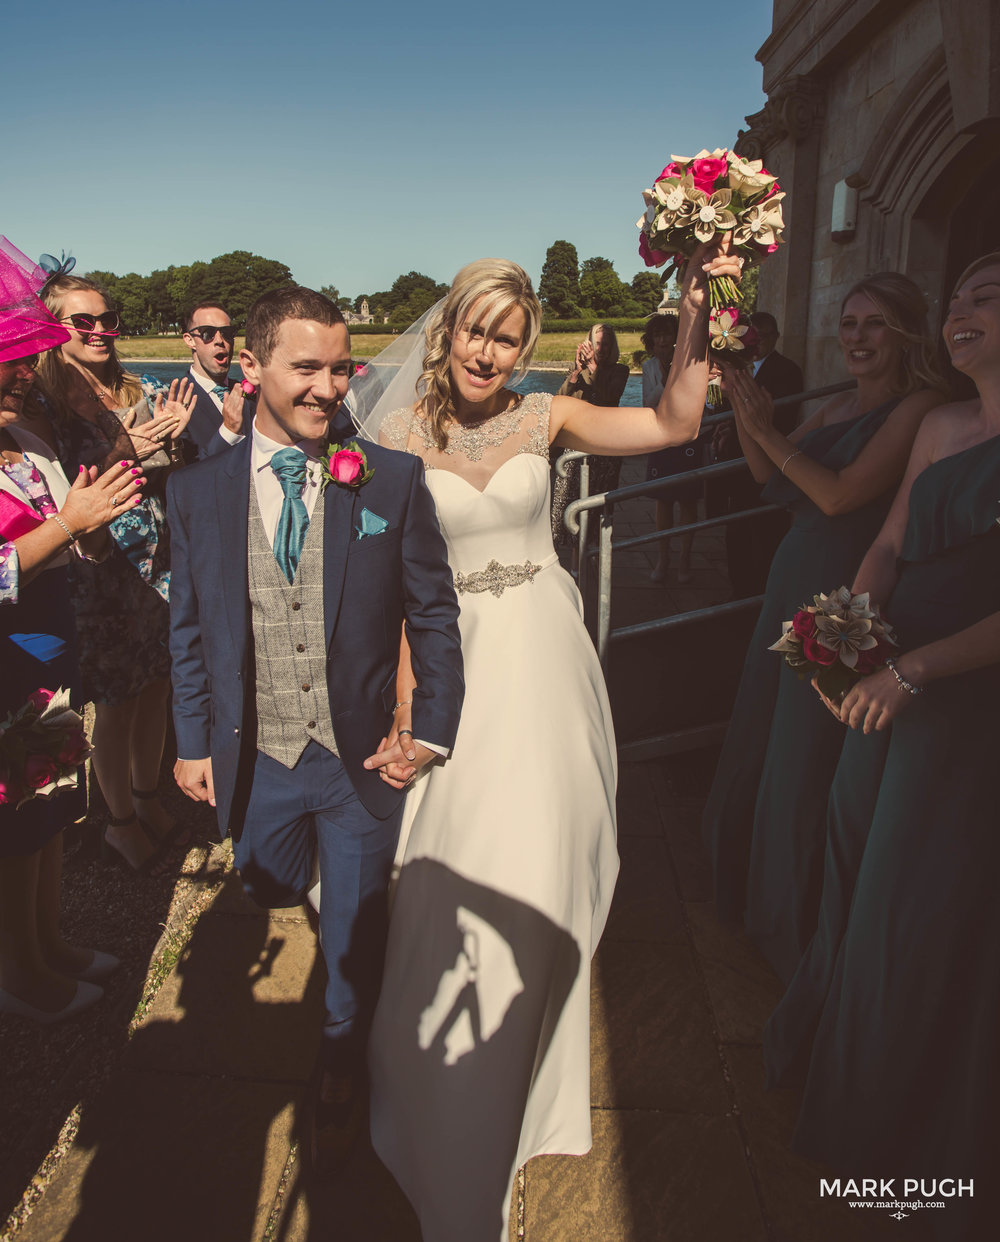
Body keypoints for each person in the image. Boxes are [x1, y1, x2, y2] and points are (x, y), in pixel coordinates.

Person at [360, 244, 740, 1241]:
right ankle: (443, 1095)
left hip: (544, 664)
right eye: (475, 330)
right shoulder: (391, 438)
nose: (489, 352)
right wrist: (407, 710)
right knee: (451, 866)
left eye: (510, 337)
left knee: (554, 865)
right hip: (456, 673)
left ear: (530, 347)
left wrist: (694, 304)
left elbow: (676, 421)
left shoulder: (548, 416)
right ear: (445, 332)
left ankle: (530, 1066)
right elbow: (398, 595)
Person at [167, 286, 464, 1165]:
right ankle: (299, 900)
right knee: (265, 884)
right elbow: (186, 626)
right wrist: (190, 739)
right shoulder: (195, 492)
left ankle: (342, 1046)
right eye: (307, 367)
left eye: (342, 367)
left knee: (354, 930)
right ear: (253, 367)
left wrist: (430, 729)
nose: (330, 387)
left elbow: (434, 613)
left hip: (359, 756)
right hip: (255, 754)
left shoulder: (391, 477)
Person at [763, 253, 1000, 1242]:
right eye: (954, 299)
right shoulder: (942, 427)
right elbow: (892, 541)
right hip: (883, 678)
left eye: (986, 298)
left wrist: (913, 674)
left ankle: (908, 1132)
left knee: (918, 897)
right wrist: (848, 636)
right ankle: (844, 1075)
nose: (959, 313)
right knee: (853, 860)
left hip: (960, 702)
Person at [701, 273, 945, 984]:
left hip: (849, 593)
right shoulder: (837, 402)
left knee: (811, 753)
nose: (857, 338)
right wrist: (752, 420)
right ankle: (752, 895)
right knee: (769, 730)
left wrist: (770, 432)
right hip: (792, 574)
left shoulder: (922, 407)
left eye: (873, 324)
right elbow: (769, 479)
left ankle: (796, 919)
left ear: (904, 332)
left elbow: (839, 496)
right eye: (848, 324)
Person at [0, 238, 146, 1021]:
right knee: (15, 822)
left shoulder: (23, 437)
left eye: (28, 358)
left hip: (52, 645)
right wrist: (68, 529)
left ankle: (49, 942)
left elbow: (70, 525)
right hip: (7, 658)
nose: (27, 371)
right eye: (14, 359)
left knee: (53, 807)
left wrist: (91, 524)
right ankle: (20, 976)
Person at [32, 275, 196, 872]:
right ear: (53, 329)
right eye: (84, 322)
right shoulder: (39, 406)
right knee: (116, 700)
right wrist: (123, 446)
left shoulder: (138, 386)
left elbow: (166, 470)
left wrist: (176, 442)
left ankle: (148, 800)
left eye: (107, 319)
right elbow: (65, 494)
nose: (101, 330)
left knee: (158, 686)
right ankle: (119, 823)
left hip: (158, 560)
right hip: (98, 569)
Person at [705, 311, 804, 597]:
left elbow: (780, 418)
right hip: (737, 464)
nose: (758, 343)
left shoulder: (787, 370)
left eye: (764, 337)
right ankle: (738, 591)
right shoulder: (738, 368)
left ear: (775, 338)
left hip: (767, 461)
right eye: (753, 337)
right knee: (736, 533)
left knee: (765, 535)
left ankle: (759, 594)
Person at [550, 323, 629, 552]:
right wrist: (576, 371)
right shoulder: (580, 370)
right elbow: (560, 399)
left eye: (606, 344)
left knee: (600, 508)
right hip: (576, 447)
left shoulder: (620, 371)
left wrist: (593, 368)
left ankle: (596, 553)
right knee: (569, 505)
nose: (601, 348)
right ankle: (576, 562)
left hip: (604, 451)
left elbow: (608, 397)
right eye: (597, 344)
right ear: (589, 344)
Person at [642, 309, 704, 583]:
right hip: (661, 437)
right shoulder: (649, 367)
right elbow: (648, 402)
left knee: (688, 500)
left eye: (668, 334)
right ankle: (663, 558)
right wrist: (665, 382)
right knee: (663, 500)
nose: (663, 341)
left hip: (688, 438)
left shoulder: (690, 363)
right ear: (651, 341)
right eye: (658, 335)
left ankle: (684, 560)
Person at [179, 302, 249, 459]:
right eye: (207, 333)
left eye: (227, 333)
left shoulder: (249, 394)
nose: (219, 340)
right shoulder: (177, 401)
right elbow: (185, 475)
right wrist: (228, 432)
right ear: (190, 340)